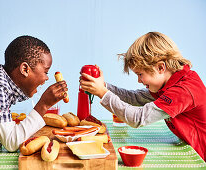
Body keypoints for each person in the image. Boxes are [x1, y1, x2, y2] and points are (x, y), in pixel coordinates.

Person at [79, 32, 206, 161]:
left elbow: (138, 118)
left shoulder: (183, 91)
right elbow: (135, 98)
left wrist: (102, 93)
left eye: (140, 74)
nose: (139, 81)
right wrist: (104, 86)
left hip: (200, 157)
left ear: (160, 67)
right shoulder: (168, 83)